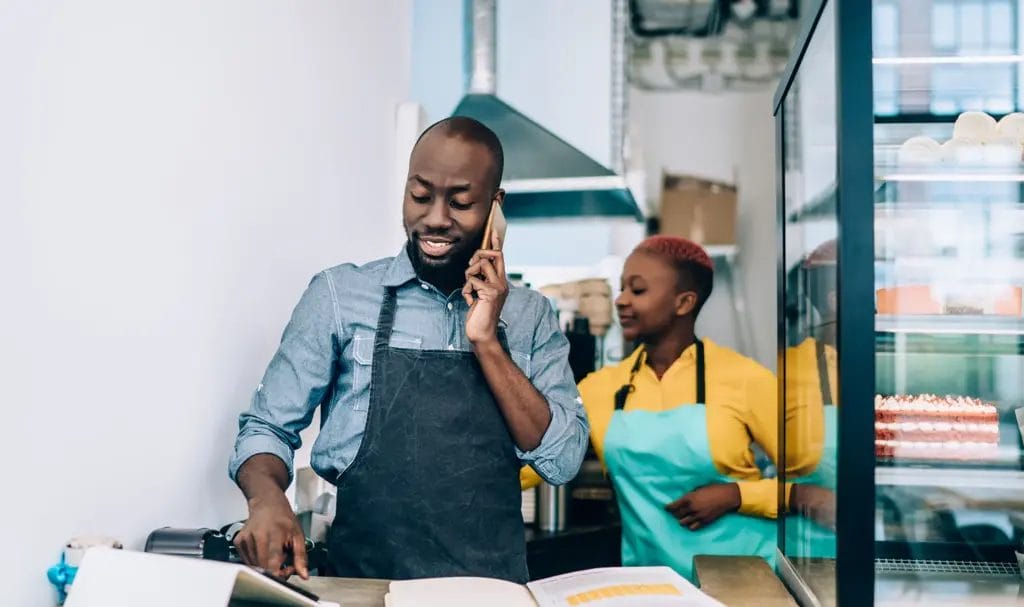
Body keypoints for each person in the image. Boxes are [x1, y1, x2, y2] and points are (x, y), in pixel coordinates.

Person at [228, 116, 588, 584]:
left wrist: (487, 341)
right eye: (420, 195)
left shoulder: (530, 317)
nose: (436, 218)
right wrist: (267, 500)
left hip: (490, 594)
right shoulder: (339, 296)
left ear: (496, 209)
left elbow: (562, 461)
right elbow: (266, 426)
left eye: (460, 203)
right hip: (364, 586)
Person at [523, 235, 820, 581]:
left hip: (747, 582)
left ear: (684, 302)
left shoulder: (744, 378)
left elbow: (814, 484)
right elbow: (536, 463)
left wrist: (737, 494)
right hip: (653, 582)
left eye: (638, 290)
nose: (621, 301)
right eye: (621, 289)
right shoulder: (598, 389)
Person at [783, 239, 839, 557]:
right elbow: (740, 476)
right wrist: (801, 495)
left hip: (894, 550)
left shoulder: (893, 363)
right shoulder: (792, 370)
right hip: (810, 555)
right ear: (834, 299)